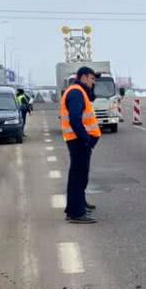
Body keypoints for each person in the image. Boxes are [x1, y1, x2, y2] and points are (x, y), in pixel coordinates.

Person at [61, 67, 101, 224]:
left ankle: (77, 205)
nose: (93, 82)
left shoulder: (80, 91)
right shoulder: (76, 92)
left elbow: (90, 101)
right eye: (92, 79)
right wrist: (86, 139)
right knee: (78, 177)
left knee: (80, 176)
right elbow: (75, 119)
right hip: (78, 141)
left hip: (78, 140)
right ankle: (76, 213)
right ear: (83, 77)